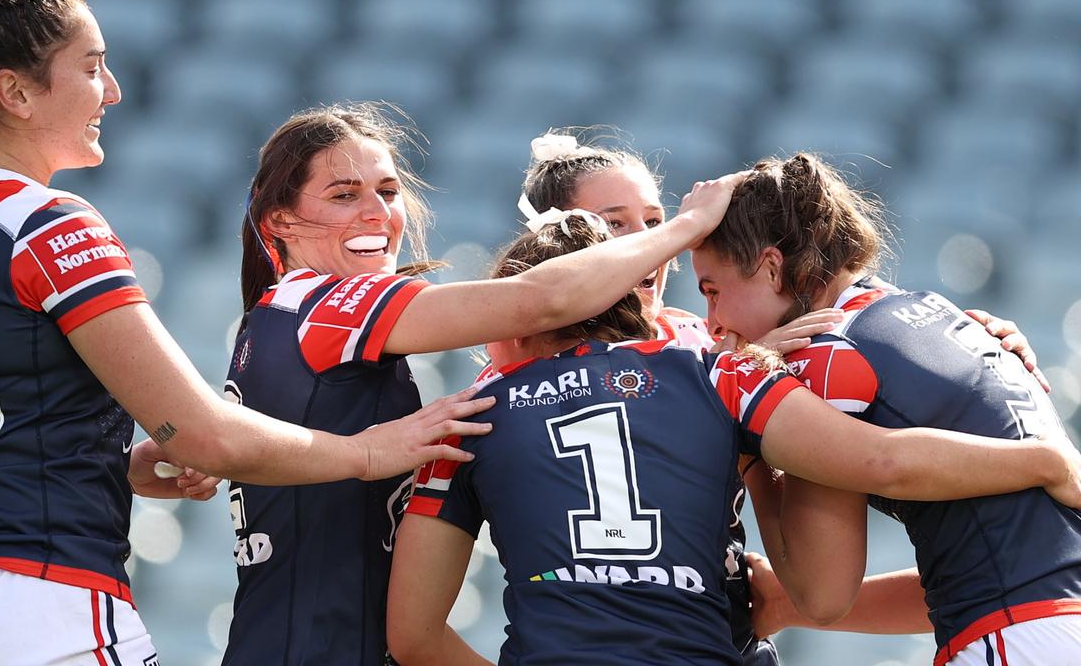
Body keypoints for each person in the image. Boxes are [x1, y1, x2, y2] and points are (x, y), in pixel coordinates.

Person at [0, 0, 492, 665]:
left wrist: (108, 462)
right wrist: (370, 451)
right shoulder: (47, 223)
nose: (113, 90)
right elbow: (204, 436)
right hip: (40, 597)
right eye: (92, 68)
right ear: (14, 93)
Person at [385, 214, 1081, 666]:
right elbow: (881, 461)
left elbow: (413, 638)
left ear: (521, 314)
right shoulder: (722, 377)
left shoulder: (465, 416)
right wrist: (1044, 458)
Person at [223, 104, 746, 665]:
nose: (378, 213)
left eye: (389, 191)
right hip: (322, 646)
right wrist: (688, 227)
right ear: (280, 221)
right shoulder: (329, 304)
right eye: (344, 195)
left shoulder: (280, 318)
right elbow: (540, 302)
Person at [516, 131, 1054, 664]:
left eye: (657, 223)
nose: (653, 245)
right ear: (554, 242)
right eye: (614, 224)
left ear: (772, 265)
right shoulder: (515, 379)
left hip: (727, 647)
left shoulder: (784, 353)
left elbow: (827, 583)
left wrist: (754, 395)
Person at [690, 153, 1081, 665]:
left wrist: (752, 449)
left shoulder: (826, 353)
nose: (712, 322)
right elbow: (977, 575)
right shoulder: (943, 314)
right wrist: (783, 608)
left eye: (714, 292)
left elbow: (823, 593)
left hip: (1020, 639)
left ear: (770, 266)